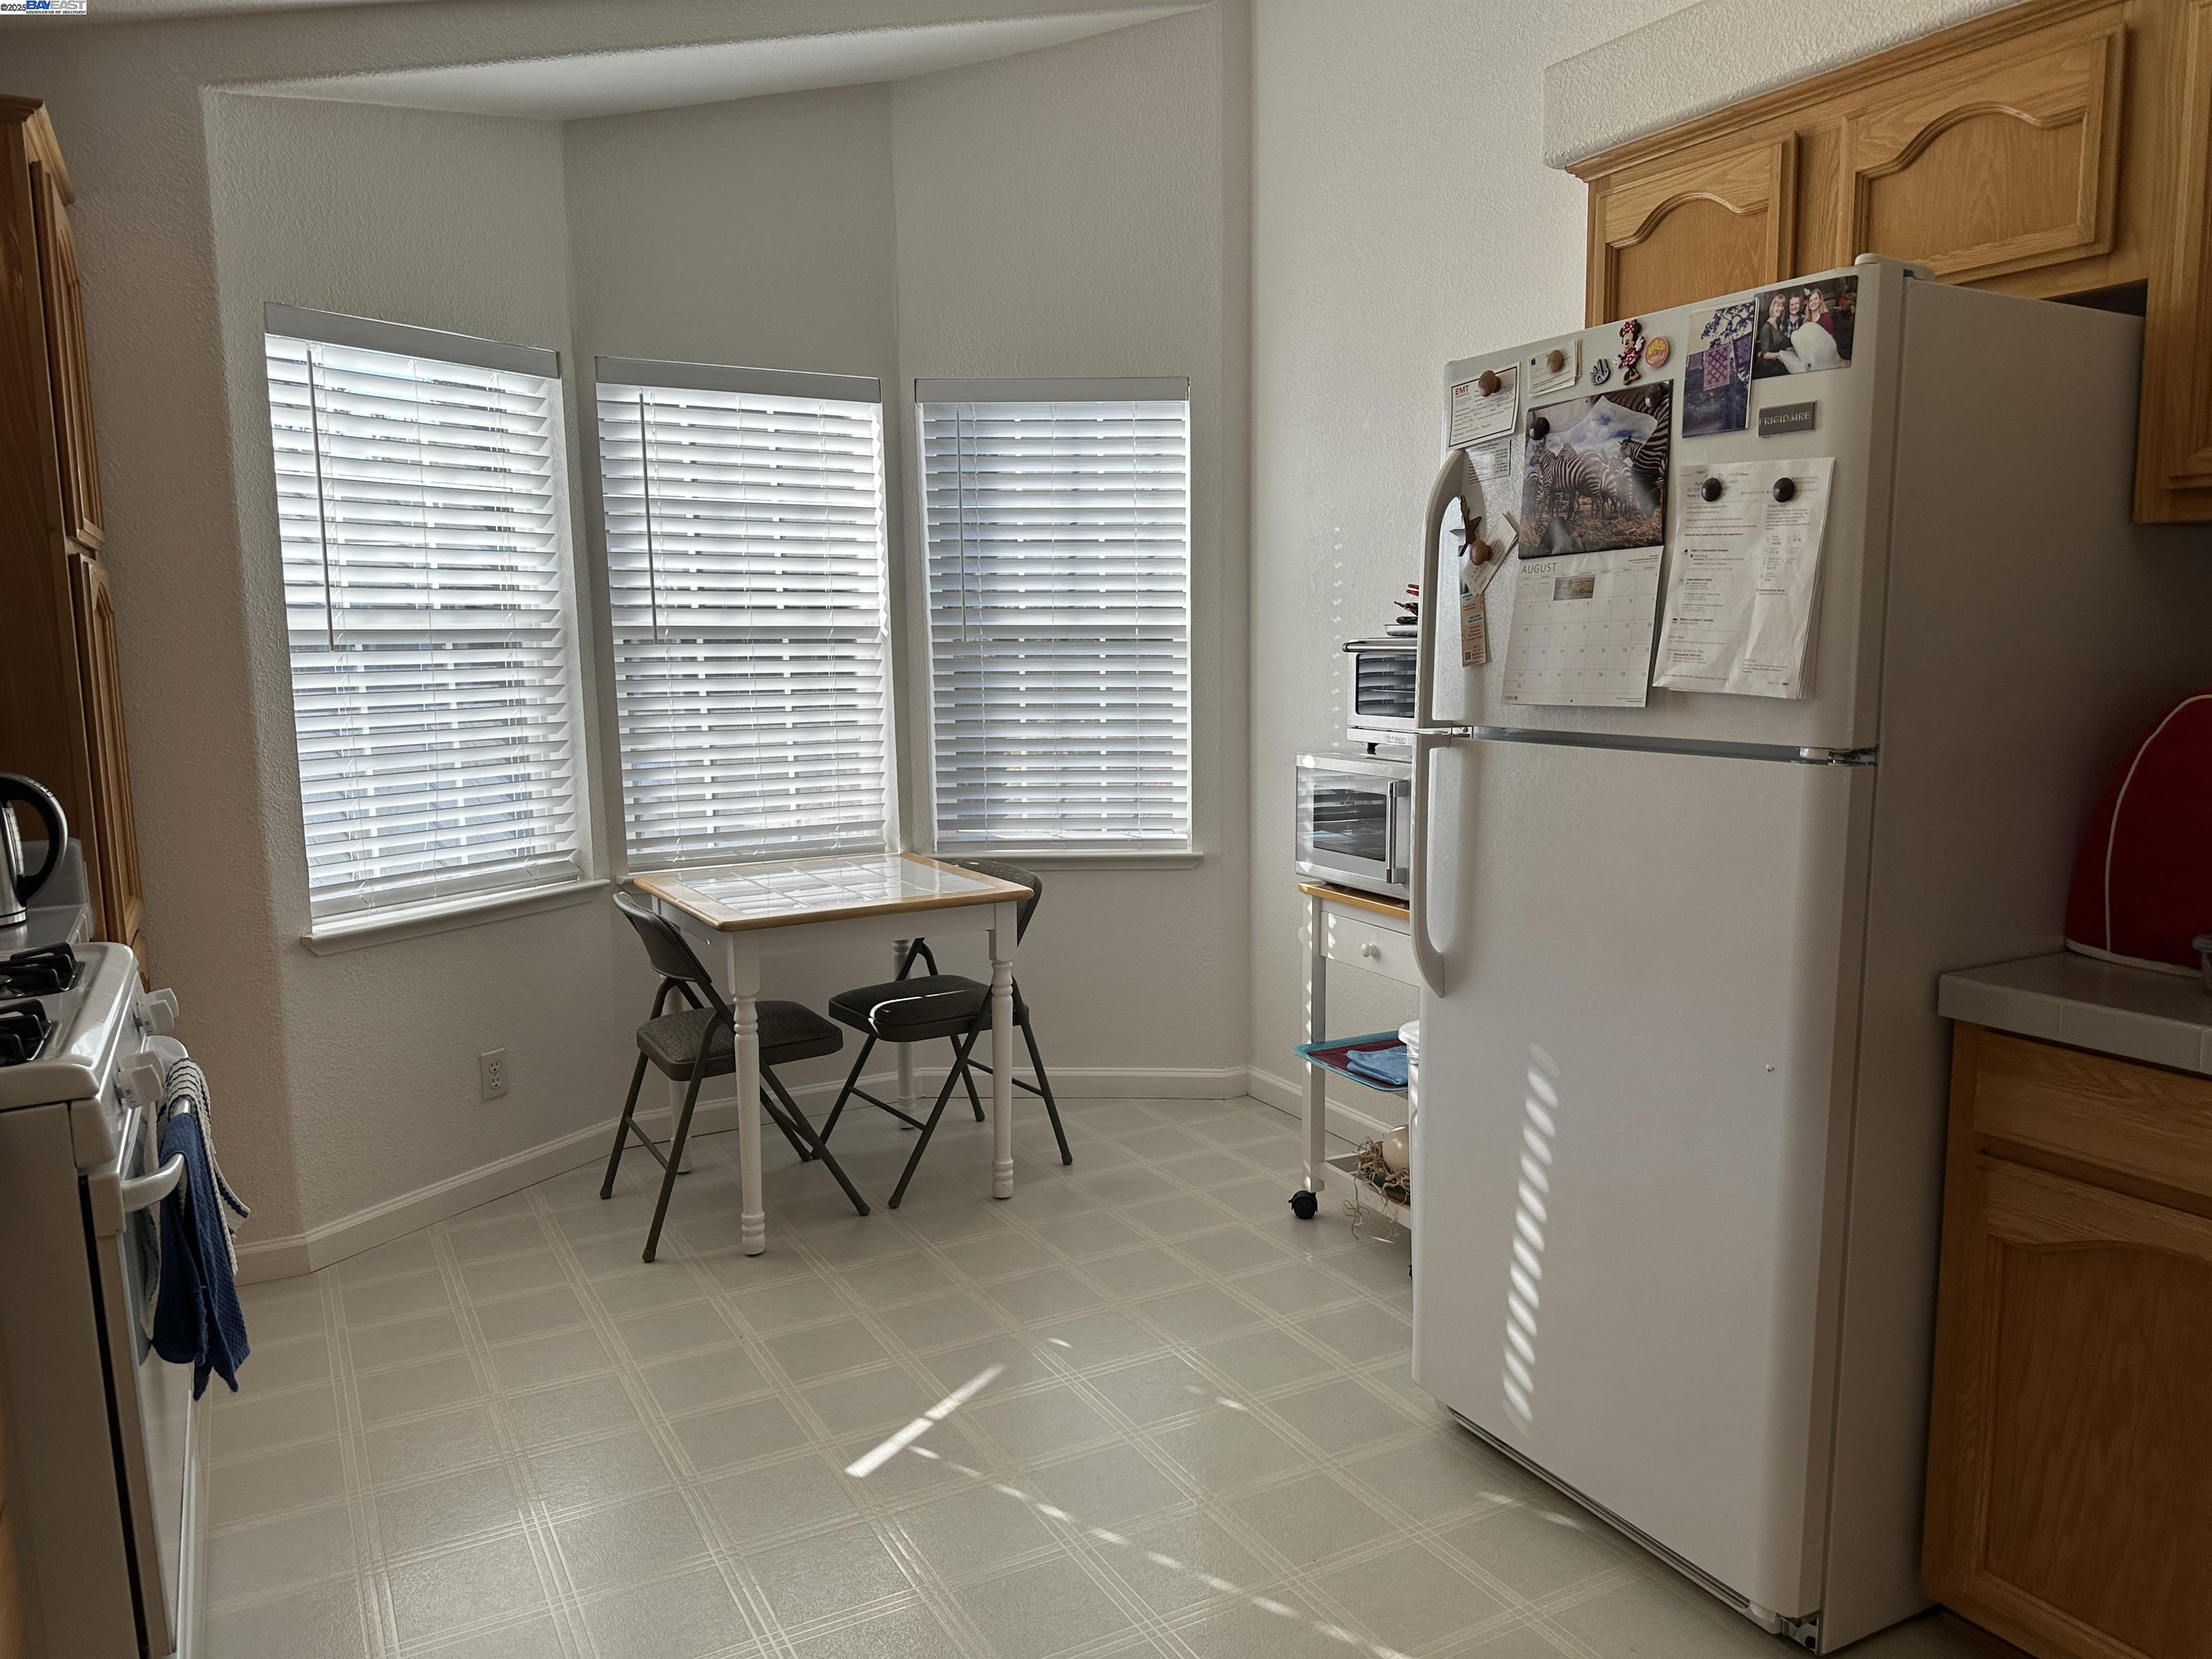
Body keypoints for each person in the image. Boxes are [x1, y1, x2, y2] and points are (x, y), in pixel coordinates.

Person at [1782, 287, 1845, 373]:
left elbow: (1830, 340)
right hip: (1810, 357)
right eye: (1811, 300)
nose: (1813, 302)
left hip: (1823, 356)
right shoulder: (1806, 319)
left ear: (1820, 300)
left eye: (1816, 299)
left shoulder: (1825, 317)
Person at [1756, 292, 1792, 373]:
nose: (1780, 309)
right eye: (1778, 306)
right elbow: (1765, 355)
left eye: (1782, 306)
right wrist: (1781, 354)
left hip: (1775, 364)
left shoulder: (1778, 323)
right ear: (1773, 307)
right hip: (1767, 369)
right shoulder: (1767, 327)